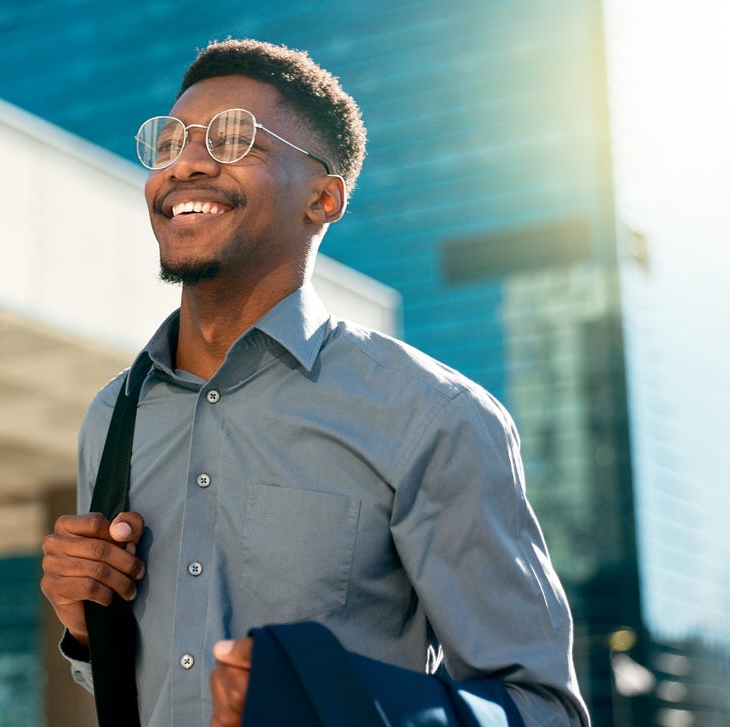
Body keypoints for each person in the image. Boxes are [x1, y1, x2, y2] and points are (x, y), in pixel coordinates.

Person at [40, 38, 588, 727]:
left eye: (234, 138)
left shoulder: (433, 416)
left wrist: (328, 702)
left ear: (323, 198)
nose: (186, 163)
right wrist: (87, 628)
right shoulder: (114, 415)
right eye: (170, 141)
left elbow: (541, 709)